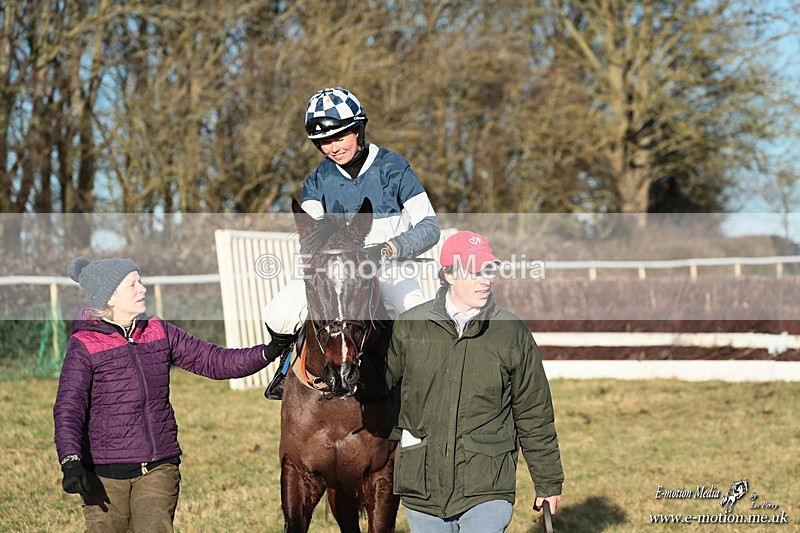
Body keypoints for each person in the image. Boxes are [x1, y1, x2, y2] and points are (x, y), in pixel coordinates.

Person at [53, 257, 291, 532]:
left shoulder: (159, 330)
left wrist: (267, 352)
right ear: (110, 298)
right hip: (104, 476)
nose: (142, 289)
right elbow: (69, 408)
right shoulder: (84, 344)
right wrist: (70, 461)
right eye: (133, 284)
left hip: (159, 466)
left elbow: (214, 360)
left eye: (140, 281)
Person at [365, 231, 564, 532]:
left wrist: (547, 481)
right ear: (448, 273)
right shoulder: (409, 326)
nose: (485, 280)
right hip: (423, 486)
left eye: (488, 270)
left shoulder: (511, 333)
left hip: (487, 484)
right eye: (474, 271)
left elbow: (534, 413)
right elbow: (377, 388)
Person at [263, 86, 440, 399]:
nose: (332, 147)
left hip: (389, 269)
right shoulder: (317, 180)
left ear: (359, 130)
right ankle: (285, 366)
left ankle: (426, 396)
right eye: (323, 142)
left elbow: (429, 226)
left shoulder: (394, 168)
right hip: (335, 272)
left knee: (417, 321)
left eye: (339, 137)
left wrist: (389, 248)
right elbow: (311, 237)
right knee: (279, 311)